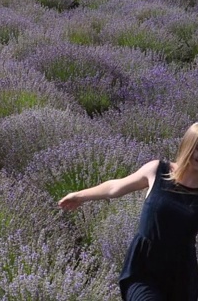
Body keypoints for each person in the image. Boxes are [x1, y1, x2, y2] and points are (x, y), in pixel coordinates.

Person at [58, 123, 198, 300]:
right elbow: (114, 187)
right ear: (188, 146)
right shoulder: (158, 170)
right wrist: (80, 196)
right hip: (143, 267)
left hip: (181, 274)